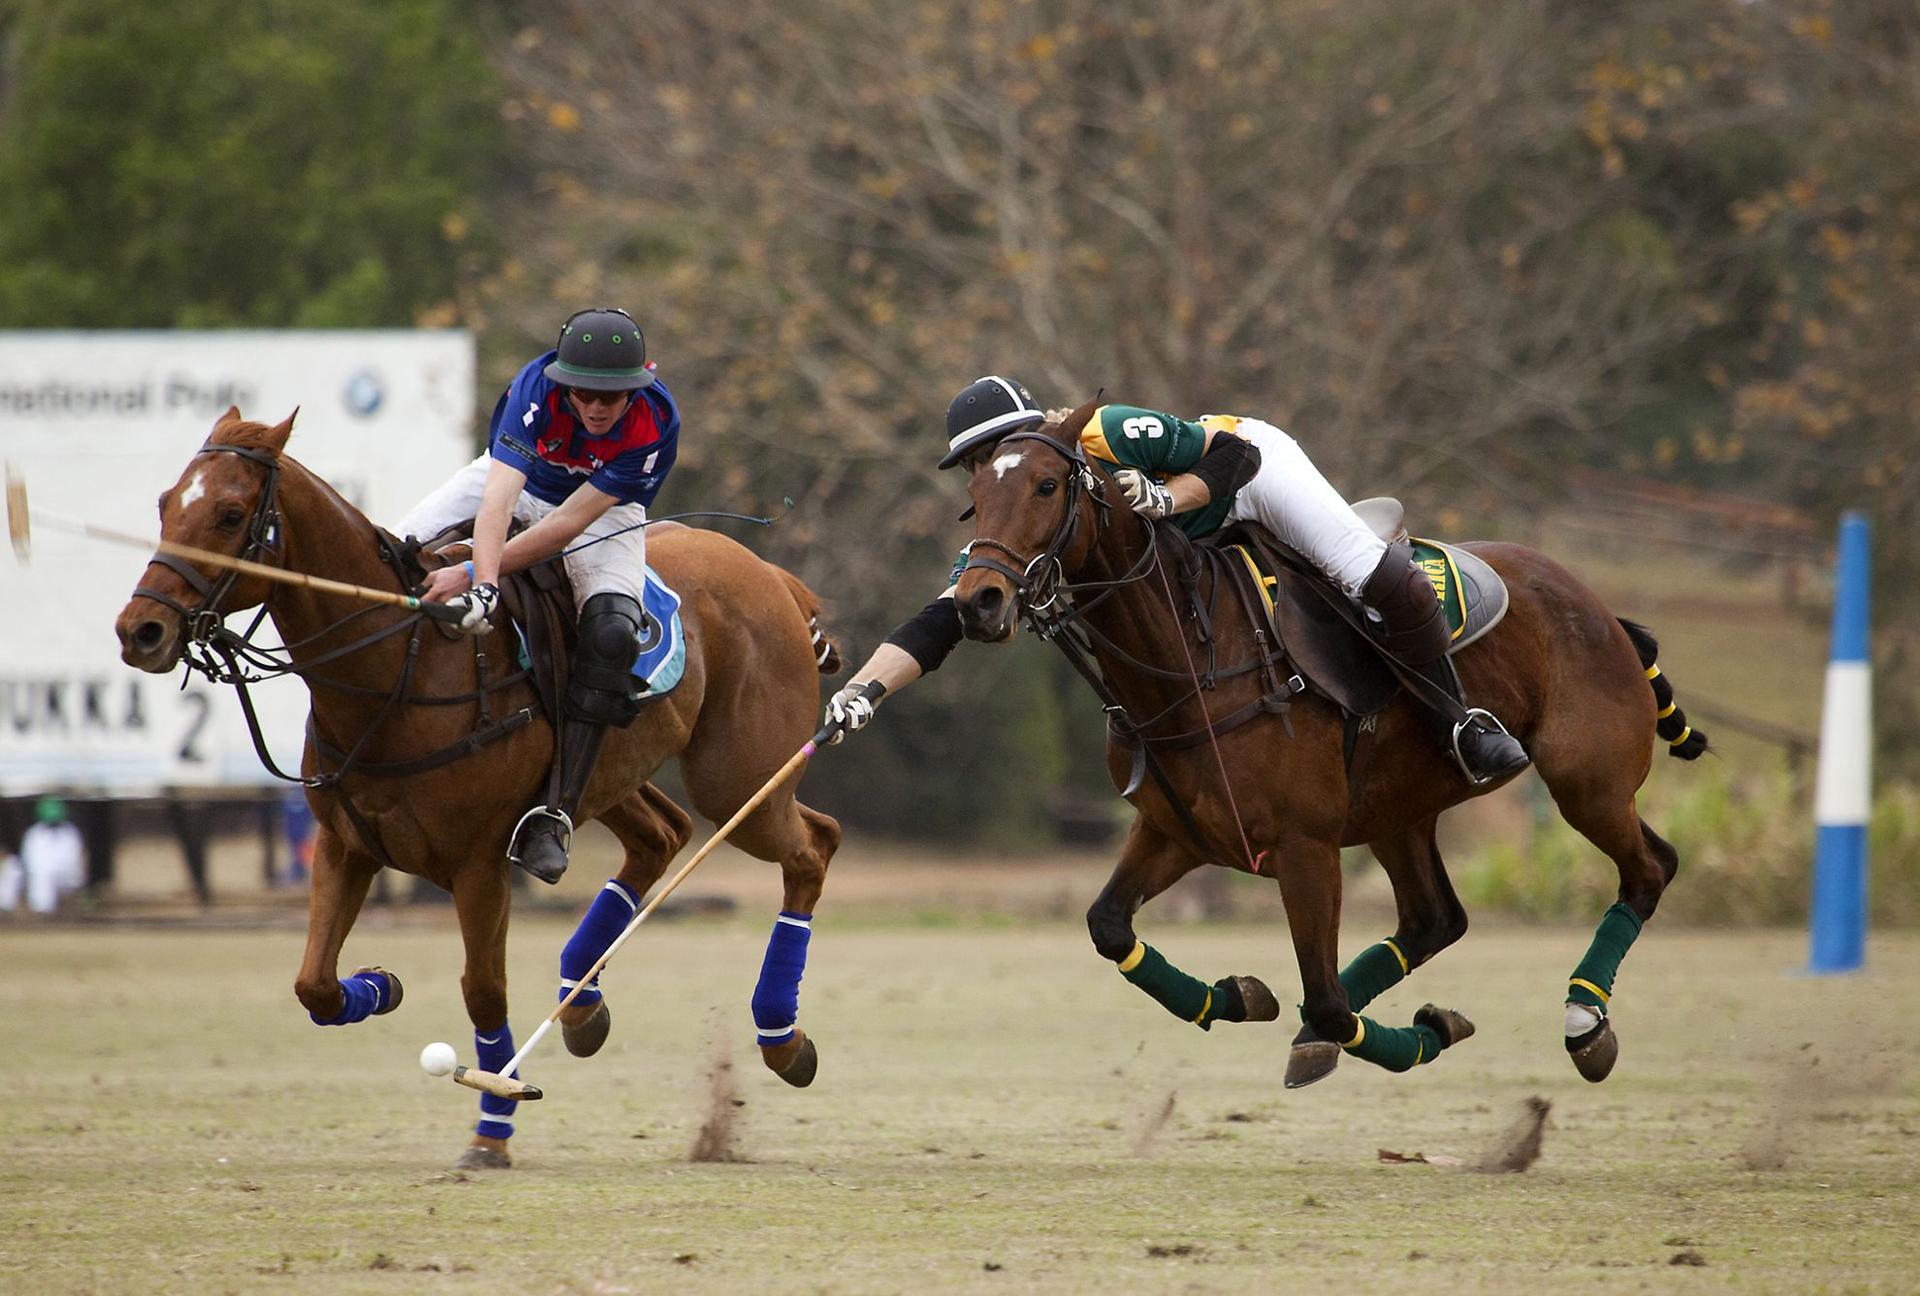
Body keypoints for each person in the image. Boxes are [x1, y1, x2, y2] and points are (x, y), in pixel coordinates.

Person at [823, 375, 1528, 785]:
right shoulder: (1013, 516)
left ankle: (1460, 720)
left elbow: (1232, 457)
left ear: (1033, 434)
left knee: (1365, 570)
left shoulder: (1108, 432)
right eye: (975, 465)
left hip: (1252, 476)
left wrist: (1163, 499)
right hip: (1193, 533)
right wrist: (864, 693)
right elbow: (942, 617)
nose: (987, 472)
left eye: (990, 453)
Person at [401, 308, 681, 883]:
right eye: (584, 393)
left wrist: (477, 574)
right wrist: (481, 579)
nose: (598, 407)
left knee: (611, 634)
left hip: (597, 512)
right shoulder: (533, 390)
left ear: (639, 386)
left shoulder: (655, 425)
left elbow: (562, 530)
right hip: (516, 479)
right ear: (563, 383)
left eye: (615, 395)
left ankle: (554, 814)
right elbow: (499, 500)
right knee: (397, 552)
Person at [0, 796, 87, 915]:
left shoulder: (70, 832)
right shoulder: (35, 833)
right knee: (14, 868)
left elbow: (75, 859)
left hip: (66, 875)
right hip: (39, 874)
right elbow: (30, 858)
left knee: (46, 875)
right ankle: (7, 909)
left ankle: (47, 911)